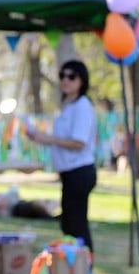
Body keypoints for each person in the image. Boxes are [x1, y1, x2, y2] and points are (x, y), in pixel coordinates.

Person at [28, 60, 97, 251]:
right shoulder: (68, 105)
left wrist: (48, 138)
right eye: (62, 76)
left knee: (76, 225)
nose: (66, 80)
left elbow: (78, 142)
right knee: (68, 224)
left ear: (81, 80)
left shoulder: (82, 105)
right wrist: (39, 137)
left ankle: (84, 270)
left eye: (71, 76)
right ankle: (75, 268)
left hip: (80, 172)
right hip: (69, 172)